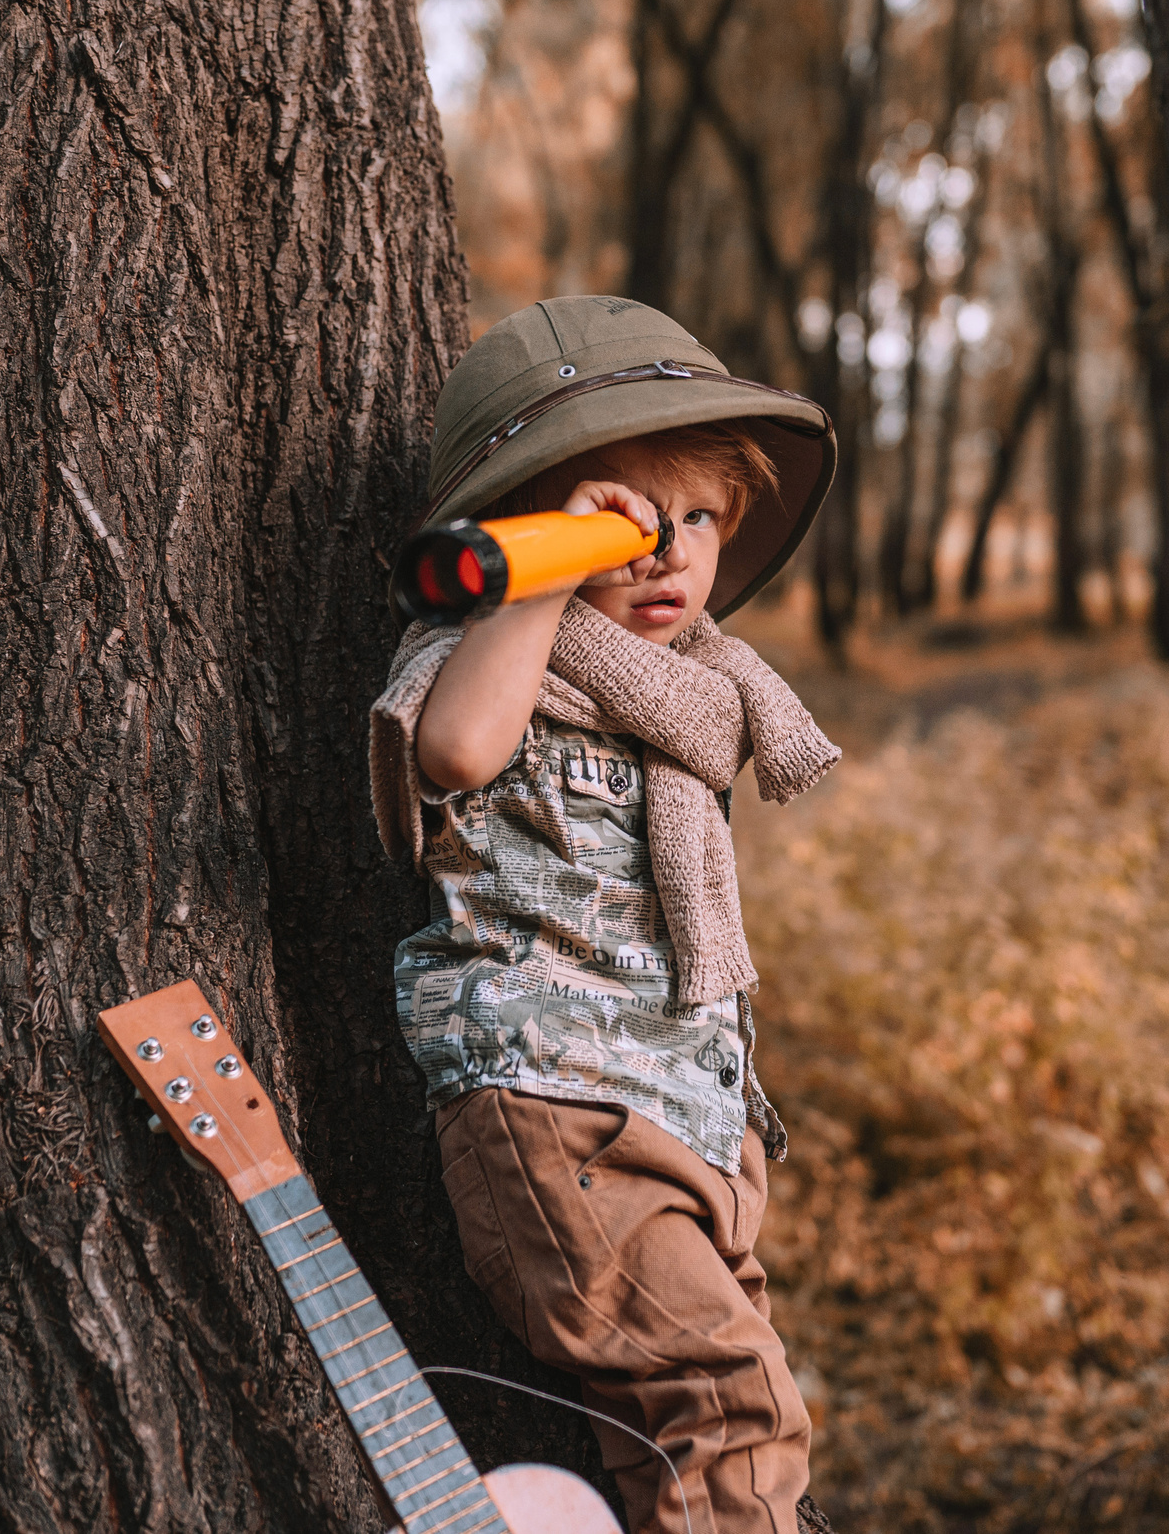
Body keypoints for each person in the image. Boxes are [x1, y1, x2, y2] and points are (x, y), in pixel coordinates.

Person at [369, 296, 841, 1534]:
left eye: (693, 519)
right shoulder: (491, 649)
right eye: (622, 522)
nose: (664, 554)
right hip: (559, 1103)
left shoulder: (695, 695)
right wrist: (540, 577)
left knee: (723, 1439)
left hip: (696, 1113)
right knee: (727, 1410)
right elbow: (461, 749)